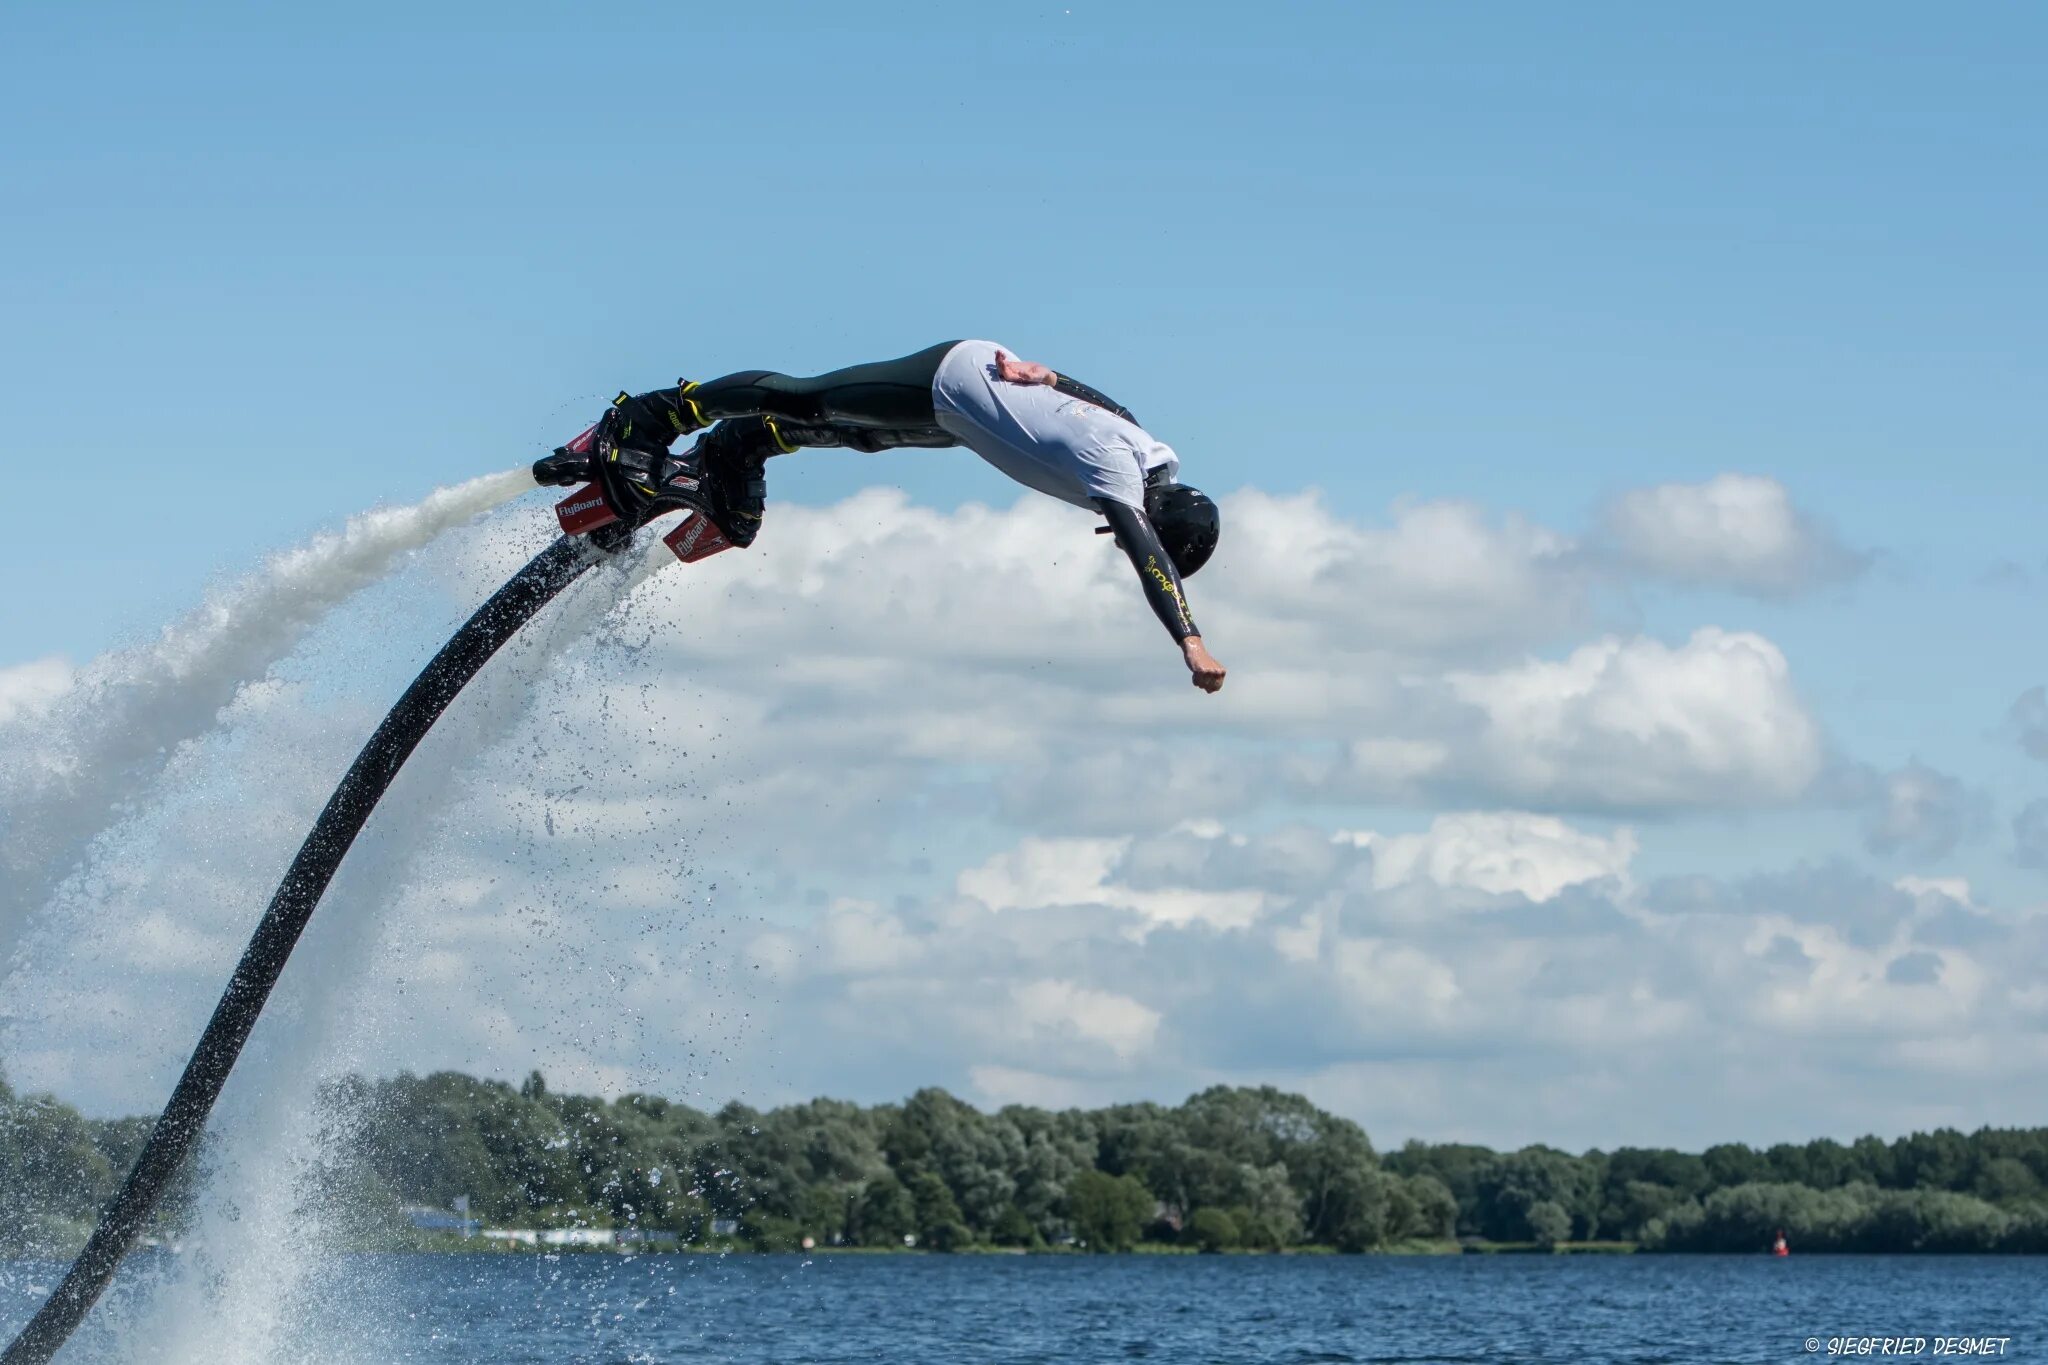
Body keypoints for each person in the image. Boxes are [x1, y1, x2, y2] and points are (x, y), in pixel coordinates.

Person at [535, 340, 1227, 692]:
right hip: (949, 380)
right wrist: (1188, 639)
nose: (1117, 535)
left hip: (958, 417)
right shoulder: (1119, 473)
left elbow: (1103, 405)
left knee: (856, 433)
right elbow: (1148, 555)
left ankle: (734, 452)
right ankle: (653, 414)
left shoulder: (1144, 450)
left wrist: (1049, 379)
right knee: (811, 400)